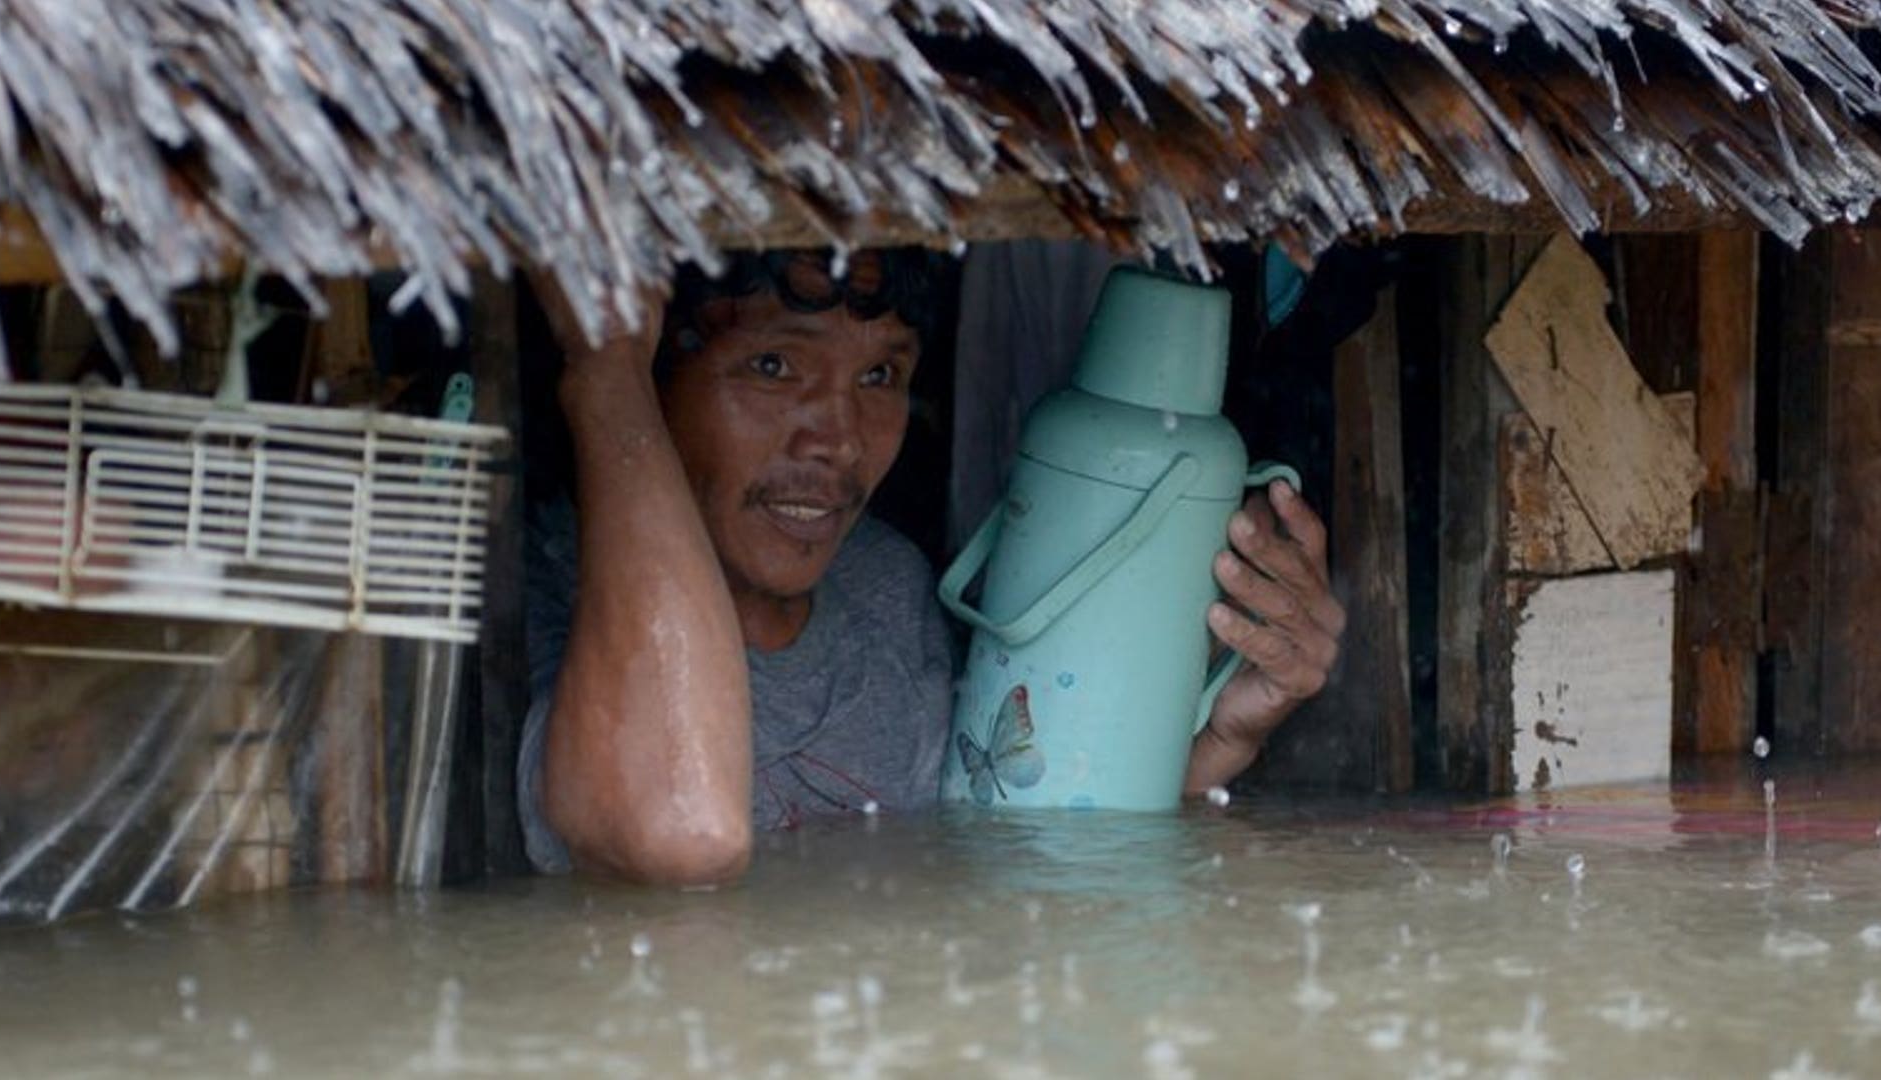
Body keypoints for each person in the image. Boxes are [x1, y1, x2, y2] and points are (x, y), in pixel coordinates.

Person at [519, 250, 1346, 885]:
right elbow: (684, 836)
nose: (837, 439)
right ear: (660, 371)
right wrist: (605, 375)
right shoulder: (550, 583)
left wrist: (1219, 739)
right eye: (773, 366)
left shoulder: (884, 587)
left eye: (879, 374)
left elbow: (1017, 854)